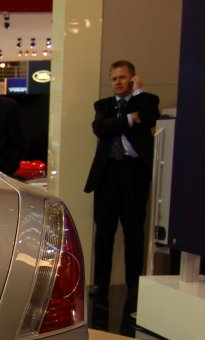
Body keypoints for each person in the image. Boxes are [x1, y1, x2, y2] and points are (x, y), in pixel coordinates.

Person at [84, 60, 160, 307]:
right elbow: (100, 128)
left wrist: (138, 94)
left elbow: (149, 118)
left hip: (134, 173)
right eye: (114, 78)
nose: (117, 82)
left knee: (134, 232)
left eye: (123, 78)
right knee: (104, 233)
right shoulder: (104, 105)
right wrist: (129, 119)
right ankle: (101, 283)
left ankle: (134, 286)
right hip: (107, 174)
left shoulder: (146, 100)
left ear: (133, 79)